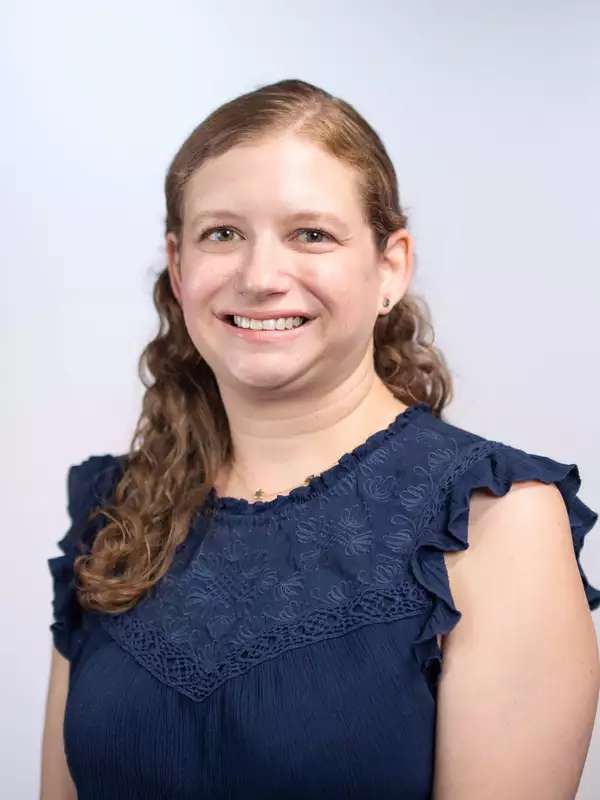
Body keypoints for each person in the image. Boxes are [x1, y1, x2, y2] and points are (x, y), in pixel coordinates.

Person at [41, 78, 600, 800]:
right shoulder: (110, 513)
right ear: (178, 268)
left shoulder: (497, 520)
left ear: (390, 265)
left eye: (311, 234)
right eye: (223, 234)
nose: (260, 276)